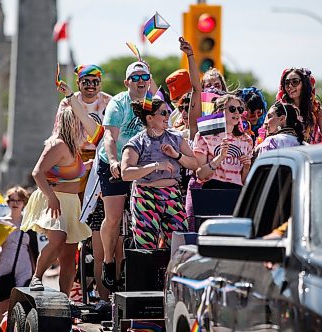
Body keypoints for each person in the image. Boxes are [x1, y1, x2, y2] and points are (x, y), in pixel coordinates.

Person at [20, 79, 99, 295]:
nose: (81, 125)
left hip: (71, 203)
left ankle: (65, 299)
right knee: (58, 238)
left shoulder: (75, 147)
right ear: (68, 123)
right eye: (77, 121)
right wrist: (52, 198)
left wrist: (92, 164)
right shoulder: (57, 144)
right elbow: (37, 172)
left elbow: (74, 170)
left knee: (68, 257)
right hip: (53, 199)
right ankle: (36, 278)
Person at [97, 60, 157, 291]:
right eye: (136, 78)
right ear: (127, 82)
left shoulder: (154, 102)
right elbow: (110, 137)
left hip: (138, 163)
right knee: (112, 217)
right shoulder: (118, 103)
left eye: (145, 77)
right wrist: (113, 161)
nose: (141, 82)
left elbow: (164, 130)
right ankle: (108, 261)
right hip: (112, 162)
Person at [121, 98, 198, 249]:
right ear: (149, 118)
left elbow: (195, 164)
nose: (168, 116)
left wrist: (176, 155)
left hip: (172, 195)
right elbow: (125, 173)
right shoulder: (137, 142)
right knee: (146, 248)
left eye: (168, 112)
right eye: (163, 113)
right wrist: (155, 166)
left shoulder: (175, 138)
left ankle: (172, 273)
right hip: (145, 195)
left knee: (179, 245)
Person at [53, 64, 111, 202]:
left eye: (95, 81)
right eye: (86, 82)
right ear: (78, 83)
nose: (91, 85)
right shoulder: (67, 102)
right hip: (76, 154)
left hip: (102, 154)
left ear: (100, 84)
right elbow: (59, 132)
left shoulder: (110, 102)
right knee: (75, 198)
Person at [0, 186, 38, 324]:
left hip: (25, 269)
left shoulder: (30, 223)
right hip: (4, 267)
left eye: (19, 200)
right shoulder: (0, 223)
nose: (15, 203)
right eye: (12, 200)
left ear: (24, 203)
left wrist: (37, 274)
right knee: (3, 309)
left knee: (23, 306)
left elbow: (33, 250)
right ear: (7, 202)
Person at [193, 94, 254, 190]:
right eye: (232, 109)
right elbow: (200, 174)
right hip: (212, 190)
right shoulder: (204, 135)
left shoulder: (247, 140)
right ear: (220, 111)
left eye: (240, 109)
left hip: (236, 192)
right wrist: (220, 157)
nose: (237, 112)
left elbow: (243, 182)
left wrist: (246, 167)